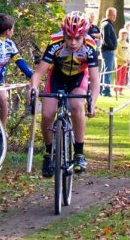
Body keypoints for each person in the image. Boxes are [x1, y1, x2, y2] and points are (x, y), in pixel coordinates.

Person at [28, 11, 101, 176]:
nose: (73, 42)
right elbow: (39, 73)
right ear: (64, 35)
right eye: (69, 38)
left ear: (84, 35)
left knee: (76, 105)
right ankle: (48, 154)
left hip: (78, 78)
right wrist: (33, 89)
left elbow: (95, 80)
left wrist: (92, 103)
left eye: (77, 38)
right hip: (57, 77)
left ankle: (79, 153)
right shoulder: (55, 43)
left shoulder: (90, 47)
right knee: (47, 114)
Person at [99, 7, 118, 97]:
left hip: (107, 50)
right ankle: (105, 91)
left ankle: (100, 89)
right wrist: (113, 46)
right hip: (107, 51)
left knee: (104, 70)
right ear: (108, 15)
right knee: (108, 71)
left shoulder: (108, 24)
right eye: (113, 15)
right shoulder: (106, 25)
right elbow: (106, 39)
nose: (115, 17)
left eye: (115, 15)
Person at [114, 28, 130, 96]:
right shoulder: (117, 43)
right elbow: (115, 53)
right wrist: (122, 59)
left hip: (125, 64)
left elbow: (129, 53)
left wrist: (129, 59)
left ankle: (120, 90)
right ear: (119, 35)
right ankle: (116, 90)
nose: (124, 36)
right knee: (118, 77)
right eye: (122, 34)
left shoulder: (127, 44)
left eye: (125, 35)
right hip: (118, 63)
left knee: (123, 78)